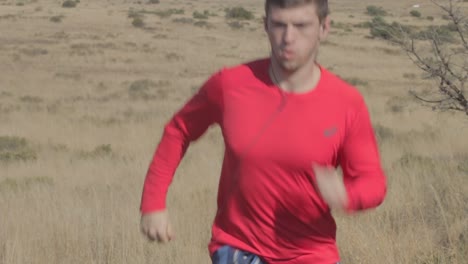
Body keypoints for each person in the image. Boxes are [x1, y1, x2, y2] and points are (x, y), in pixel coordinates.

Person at [139, 0, 387, 263]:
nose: (288, 38)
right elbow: (178, 130)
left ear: (324, 28)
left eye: (301, 26)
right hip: (239, 248)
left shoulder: (346, 103)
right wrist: (153, 203)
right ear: (265, 26)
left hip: (312, 254)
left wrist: (348, 196)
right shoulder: (230, 85)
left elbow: (373, 182)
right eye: (279, 25)